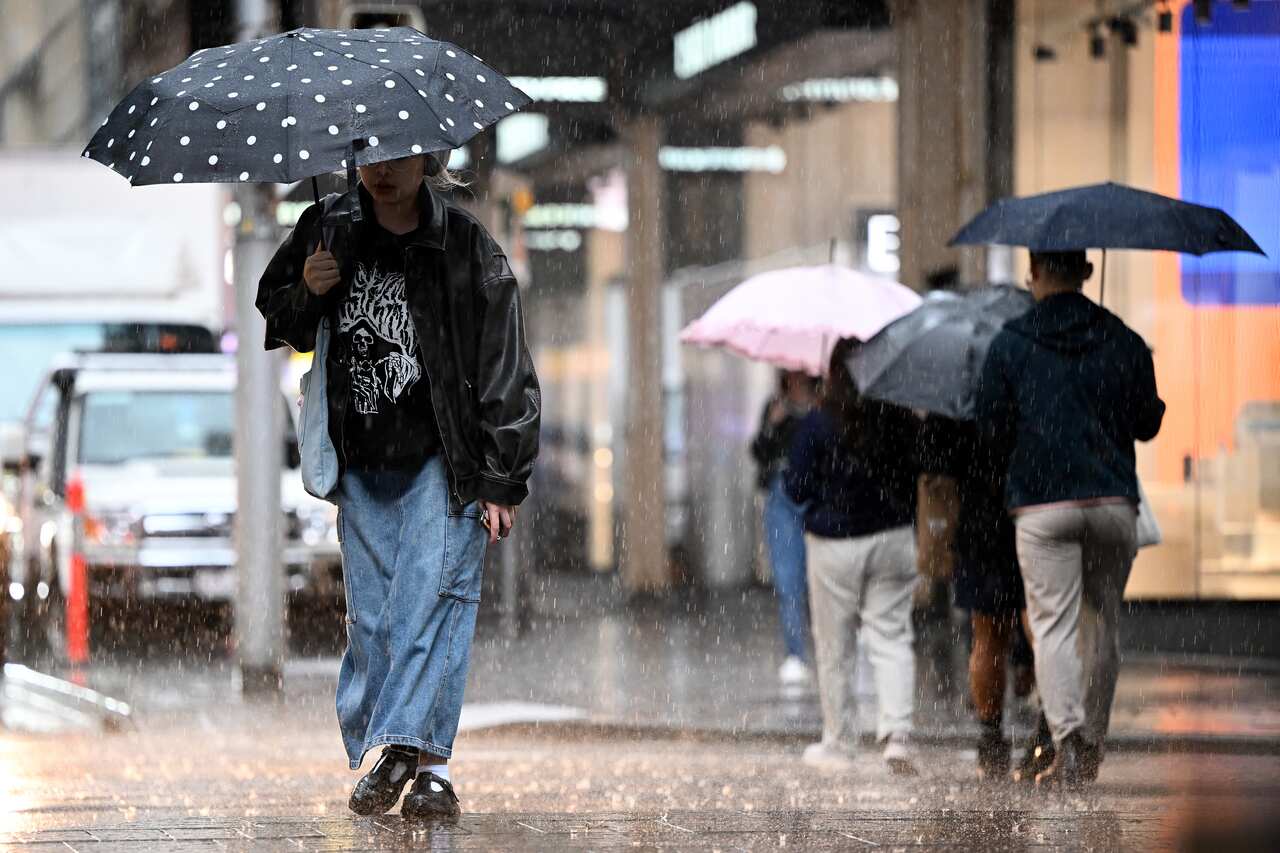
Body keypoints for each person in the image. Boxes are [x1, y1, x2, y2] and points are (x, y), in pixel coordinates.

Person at [256, 152, 540, 819]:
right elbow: (278, 317)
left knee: (433, 599)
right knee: (379, 624)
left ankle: (422, 760)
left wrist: (502, 476)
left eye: (399, 155)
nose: (381, 169)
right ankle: (407, 751)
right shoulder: (325, 226)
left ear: (430, 160)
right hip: (359, 462)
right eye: (370, 154)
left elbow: (505, 364)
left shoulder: (466, 245)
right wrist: (308, 286)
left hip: (444, 457)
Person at [977, 250, 1164, 787]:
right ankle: (1094, 743)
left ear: (1033, 273)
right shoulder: (1122, 340)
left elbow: (990, 429)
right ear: (1086, 273)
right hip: (1111, 502)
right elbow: (1148, 423)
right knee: (1103, 622)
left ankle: (1068, 739)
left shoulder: (1011, 343)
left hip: (1042, 505)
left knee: (1054, 626)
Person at [786, 341, 921, 775]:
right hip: (894, 538)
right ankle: (898, 737)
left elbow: (795, 488)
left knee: (835, 643)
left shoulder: (818, 422)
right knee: (892, 636)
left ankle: (840, 743)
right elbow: (920, 464)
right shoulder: (899, 417)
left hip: (834, 543)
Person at [919, 416, 1036, 780]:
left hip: (980, 525)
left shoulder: (962, 391)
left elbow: (933, 457)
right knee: (1043, 625)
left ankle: (991, 737)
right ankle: (1048, 730)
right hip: (1032, 512)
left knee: (987, 634)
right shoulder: (1027, 368)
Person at [750, 369, 820, 687]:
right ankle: (796, 653)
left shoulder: (823, 408)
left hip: (816, 497)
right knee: (788, 579)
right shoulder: (775, 407)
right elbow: (758, 452)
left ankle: (832, 650)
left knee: (823, 578)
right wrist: (771, 425)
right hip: (782, 497)